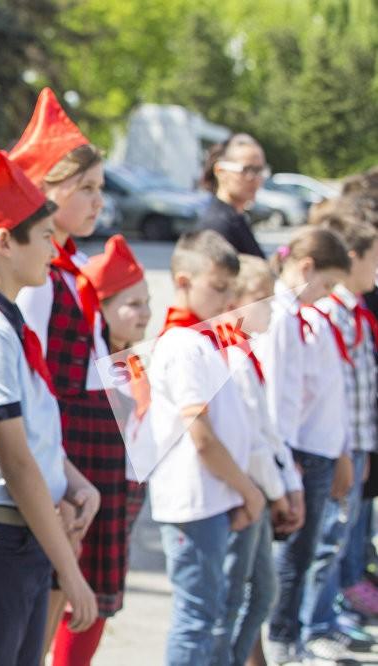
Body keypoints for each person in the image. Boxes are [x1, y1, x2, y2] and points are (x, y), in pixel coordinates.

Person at [0, 148, 99, 666]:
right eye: (47, 239)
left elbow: (32, 435)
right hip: (2, 538)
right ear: (5, 243)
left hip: (23, 533)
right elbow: (12, 459)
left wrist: (74, 480)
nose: (55, 252)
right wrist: (70, 573)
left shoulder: (7, 320)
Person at [10, 87, 127, 658]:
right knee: (48, 598)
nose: (96, 201)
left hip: (81, 454)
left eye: (100, 188)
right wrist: (62, 471)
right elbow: (34, 383)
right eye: (84, 188)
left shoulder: (74, 264)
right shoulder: (38, 277)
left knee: (63, 598)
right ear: (43, 192)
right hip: (61, 451)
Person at [147, 230, 260, 666]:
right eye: (217, 288)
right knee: (196, 617)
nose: (227, 298)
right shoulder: (183, 345)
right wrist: (247, 489)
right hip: (194, 500)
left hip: (212, 496)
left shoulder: (204, 340)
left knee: (210, 612)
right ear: (183, 281)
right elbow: (203, 436)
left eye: (231, 289)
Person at [53, 234, 151, 666]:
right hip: (94, 486)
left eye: (147, 302)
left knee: (101, 600)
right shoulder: (90, 378)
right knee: (76, 596)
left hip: (126, 489)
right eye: (131, 304)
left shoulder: (135, 362)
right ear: (100, 312)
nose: (144, 314)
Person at [260, 226, 352, 665]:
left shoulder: (304, 316)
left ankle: (287, 640)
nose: (330, 295)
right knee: (291, 560)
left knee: (303, 552)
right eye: (328, 284)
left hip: (310, 451)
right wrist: (286, 465)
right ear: (306, 267)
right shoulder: (279, 317)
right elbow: (280, 398)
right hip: (294, 453)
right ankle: (281, 642)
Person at [212, 255, 302, 666]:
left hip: (261, 490)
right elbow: (250, 440)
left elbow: (267, 429)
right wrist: (278, 494)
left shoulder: (245, 352)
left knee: (261, 591)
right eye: (262, 299)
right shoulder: (228, 356)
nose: (270, 308)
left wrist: (286, 487)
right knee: (232, 597)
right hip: (241, 494)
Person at [300, 213, 378, 655]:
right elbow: (335, 388)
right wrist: (345, 449)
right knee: (327, 537)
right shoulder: (333, 313)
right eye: (375, 259)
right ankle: (313, 623)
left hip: (357, 440)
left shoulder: (354, 312)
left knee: (342, 533)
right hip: (338, 444)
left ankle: (326, 615)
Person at [195, 134, 268, 258]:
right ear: (220, 171)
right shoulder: (218, 225)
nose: (254, 178)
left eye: (259, 170)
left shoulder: (236, 217)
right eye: (246, 169)